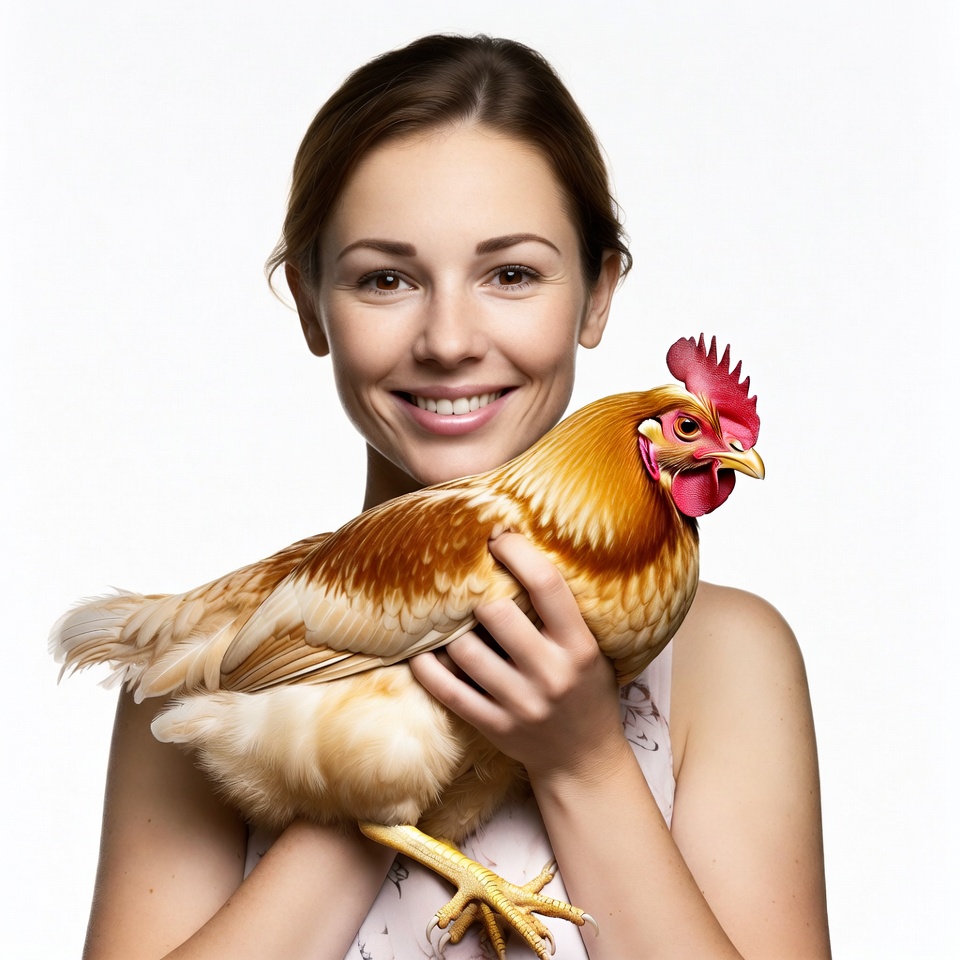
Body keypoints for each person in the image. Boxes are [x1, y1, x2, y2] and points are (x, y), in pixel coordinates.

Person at [81, 34, 830, 960]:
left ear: (597, 295)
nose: (448, 339)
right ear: (312, 304)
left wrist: (583, 756)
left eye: (510, 273)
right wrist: (380, 771)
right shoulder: (213, 660)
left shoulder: (724, 661)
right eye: (384, 278)